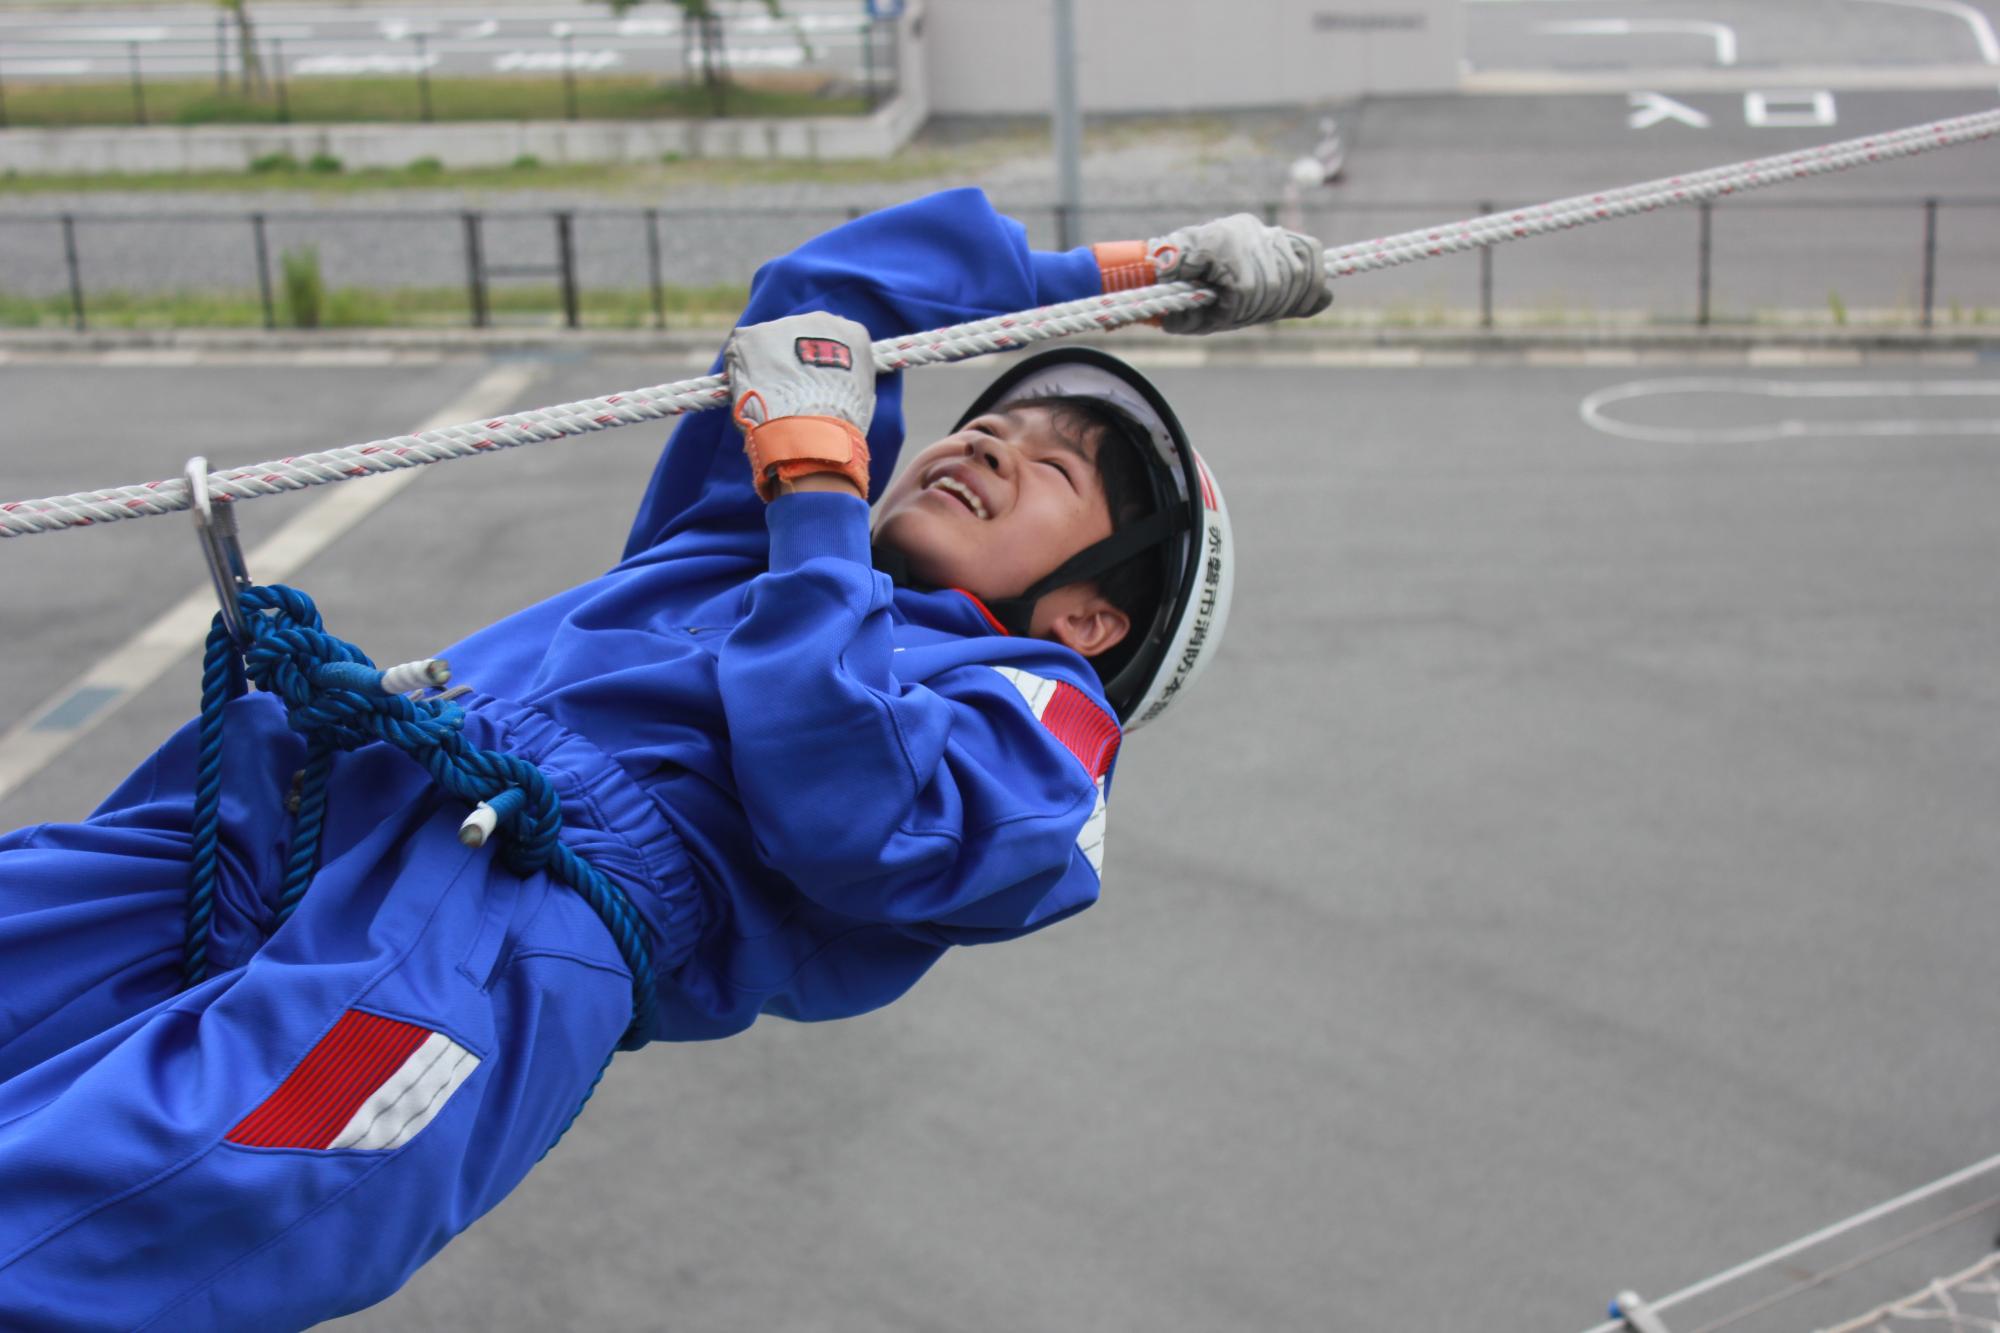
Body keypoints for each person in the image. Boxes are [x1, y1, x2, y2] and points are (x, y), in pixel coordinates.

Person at [0, 189, 1329, 1330]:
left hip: (513, 924)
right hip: (329, 792)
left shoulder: (1031, 710)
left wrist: (815, 506)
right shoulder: (740, 539)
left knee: (163, 1189)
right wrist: (1120, 281)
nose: (986, 440)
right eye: (990, 422)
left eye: (1052, 470)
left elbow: (863, 810)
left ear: (1092, 617)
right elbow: (825, 297)